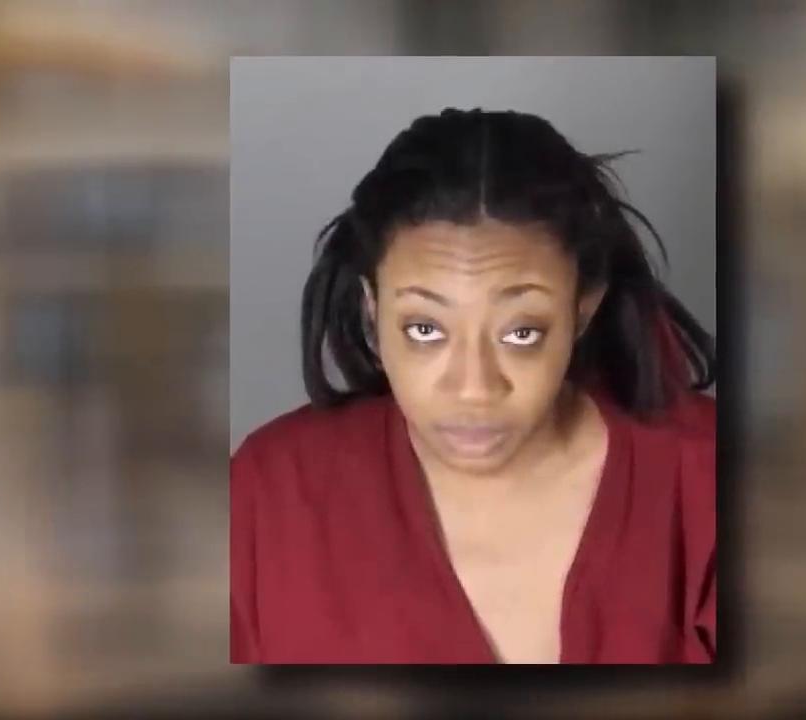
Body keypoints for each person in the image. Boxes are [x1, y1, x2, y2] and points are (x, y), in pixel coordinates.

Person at [231, 108, 716, 664]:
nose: (473, 390)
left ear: (582, 309)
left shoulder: (709, 481)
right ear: (373, 309)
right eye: (425, 329)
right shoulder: (268, 494)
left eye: (521, 332)